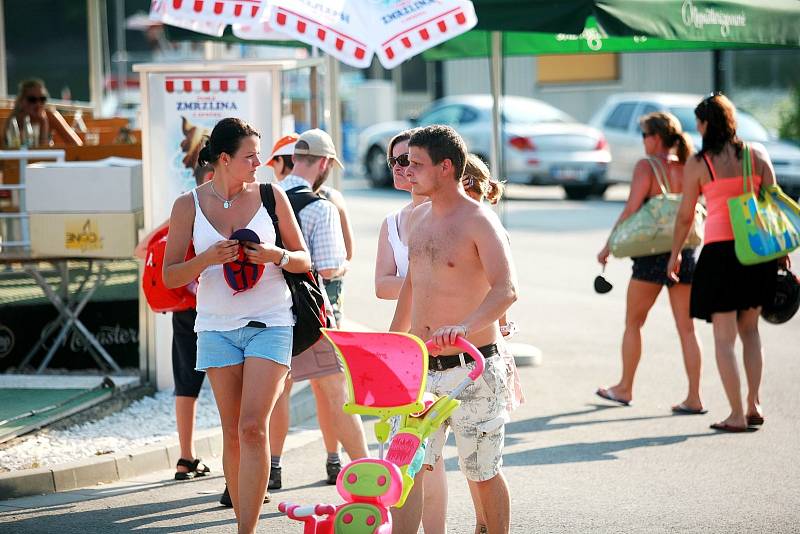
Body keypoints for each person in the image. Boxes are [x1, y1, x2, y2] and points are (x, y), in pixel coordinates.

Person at [163, 117, 311, 534]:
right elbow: (171, 275)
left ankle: (248, 530)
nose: (259, 163)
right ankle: (240, 521)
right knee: (231, 432)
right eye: (250, 156)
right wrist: (207, 260)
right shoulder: (187, 204)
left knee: (251, 426)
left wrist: (274, 256)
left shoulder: (271, 195)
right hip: (215, 326)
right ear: (223, 160)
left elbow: (304, 260)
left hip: (272, 321)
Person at [390, 125, 517, 534]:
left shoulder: (481, 221)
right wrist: (393, 347)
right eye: (406, 163)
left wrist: (463, 326)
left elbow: (507, 290)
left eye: (416, 163)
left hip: (474, 369)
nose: (407, 171)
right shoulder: (416, 218)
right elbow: (412, 285)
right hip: (422, 370)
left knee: (480, 472)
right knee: (406, 469)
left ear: (445, 167)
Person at [668, 93, 783, 433]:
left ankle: (735, 414)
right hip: (758, 252)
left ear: (704, 125)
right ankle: (753, 403)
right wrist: (781, 250)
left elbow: (686, 215)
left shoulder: (700, 163)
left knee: (723, 339)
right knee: (751, 331)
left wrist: (674, 255)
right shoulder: (756, 154)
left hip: (720, 253)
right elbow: (773, 205)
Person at [269, 130, 369, 490]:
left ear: (293, 158)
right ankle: (365, 471)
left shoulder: (267, 197)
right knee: (334, 392)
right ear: (325, 163)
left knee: (276, 394)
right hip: (311, 316)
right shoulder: (321, 206)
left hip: (267, 312)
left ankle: (271, 470)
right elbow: (328, 267)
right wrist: (340, 267)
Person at [595, 112, 705, 414]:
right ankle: (695, 397)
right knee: (687, 329)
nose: (642, 140)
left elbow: (631, 209)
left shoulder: (647, 166)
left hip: (652, 254)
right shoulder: (689, 165)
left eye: (644, 135)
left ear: (656, 137)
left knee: (634, 322)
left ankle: (625, 387)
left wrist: (609, 244)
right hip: (685, 251)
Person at [134, 164, 214, 483]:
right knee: (232, 388)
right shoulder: (217, 219)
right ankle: (239, 464)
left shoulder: (183, 216)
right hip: (217, 311)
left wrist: (173, 221)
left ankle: (185, 457)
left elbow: (141, 250)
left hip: (185, 311)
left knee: (186, 384)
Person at [2, 79, 82, 148]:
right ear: (21, 101)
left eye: (42, 99)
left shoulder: (50, 116)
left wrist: (44, 123)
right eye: (32, 99)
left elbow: (77, 146)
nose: (38, 104)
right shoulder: (14, 121)